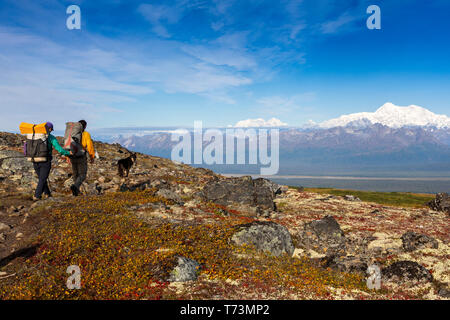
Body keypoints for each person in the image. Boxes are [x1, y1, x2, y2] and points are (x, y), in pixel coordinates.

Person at [32, 122, 71, 201]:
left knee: (42, 178)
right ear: (49, 129)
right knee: (42, 179)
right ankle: (36, 196)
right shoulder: (51, 137)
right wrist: (67, 153)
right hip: (45, 161)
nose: (51, 131)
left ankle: (47, 194)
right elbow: (59, 149)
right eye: (51, 129)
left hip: (34, 160)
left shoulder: (34, 136)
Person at [70, 120, 95, 196]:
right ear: (85, 126)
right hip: (81, 156)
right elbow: (89, 146)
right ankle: (75, 187)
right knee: (82, 175)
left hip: (72, 156)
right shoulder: (86, 134)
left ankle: (75, 192)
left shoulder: (72, 133)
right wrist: (92, 157)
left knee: (75, 174)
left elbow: (68, 144)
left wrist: (67, 156)